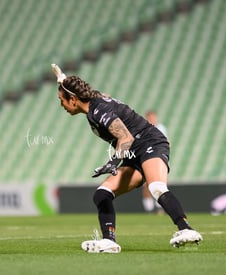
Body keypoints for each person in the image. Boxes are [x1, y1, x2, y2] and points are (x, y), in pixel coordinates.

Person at [51, 64, 202, 253]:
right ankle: (109, 241)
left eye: (62, 100)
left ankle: (186, 229)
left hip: (150, 142)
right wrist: (63, 79)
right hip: (132, 153)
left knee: (156, 187)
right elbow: (86, 92)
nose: (61, 106)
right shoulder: (93, 103)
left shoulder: (99, 111)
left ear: (72, 99)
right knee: (102, 194)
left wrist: (112, 162)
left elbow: (126, 138)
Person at [141, 110, 167, 214]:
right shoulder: (143, 128)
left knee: (160, 181)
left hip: (158, 156)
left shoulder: (161, 128)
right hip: (146, 156)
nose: (151, 119)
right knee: (146, 183)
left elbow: (166, 142)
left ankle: (159, 206)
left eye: (153, 117)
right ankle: (149, 208)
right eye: (149, 117)